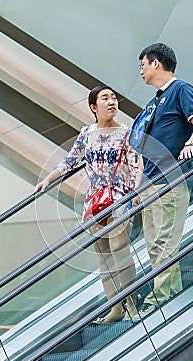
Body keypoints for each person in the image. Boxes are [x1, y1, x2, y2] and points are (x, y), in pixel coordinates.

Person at [32, 85, 142, 324]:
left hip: (120, 197)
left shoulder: (126, 132)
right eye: (105, 98)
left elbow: (136, 162)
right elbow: (70, 160)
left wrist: (136, 190)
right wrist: (48, 179)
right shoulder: (87, 133)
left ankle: (132, 304)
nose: (112, 102)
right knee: (103, 257)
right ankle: (116, 308)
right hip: (95, 201)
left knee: (119, 250)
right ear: (94, 107)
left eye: (114, 97)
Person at [132, 43, 193, 320]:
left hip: (169, 181)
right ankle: (170, 293)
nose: (140, 71)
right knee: (154, 245)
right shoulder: (155, 100)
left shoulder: (181, 89)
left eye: (142, 65)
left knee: (165, 242)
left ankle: (160, 298)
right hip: (150, 183)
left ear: (156, 63)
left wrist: (190, 144)